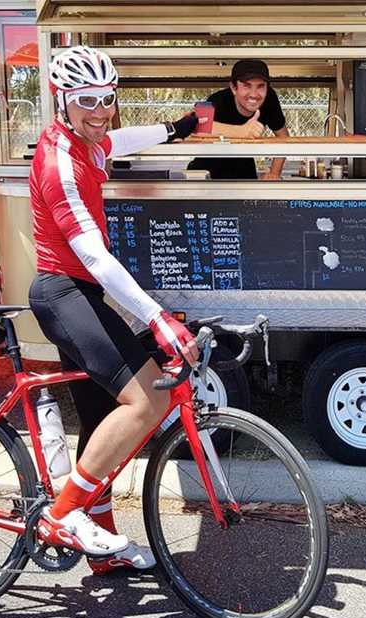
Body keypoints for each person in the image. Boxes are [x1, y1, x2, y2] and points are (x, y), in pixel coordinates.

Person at [28, 45, 201, 575]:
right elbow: (95, 258)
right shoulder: (60, 161)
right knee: (147, 402)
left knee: (103, 417)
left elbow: (119, 138)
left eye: (107, 98)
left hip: (80, 293)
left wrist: (177, 128)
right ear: (62, 99)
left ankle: (100, 544)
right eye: (87, 101)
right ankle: (60, 517)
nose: (100, 111)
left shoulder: (89, 139)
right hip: (63, 292)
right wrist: (158, 318)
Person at [188, 59, 290, 180]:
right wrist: (240, 131)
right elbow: (191, 125)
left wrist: (274, 174)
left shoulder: (269, 98)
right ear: (233, 87)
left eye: (260, 86)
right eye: (247, 86)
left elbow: (284, 138)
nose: (254, 94)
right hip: (207, 172)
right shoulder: (216, 99)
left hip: (244, 167)